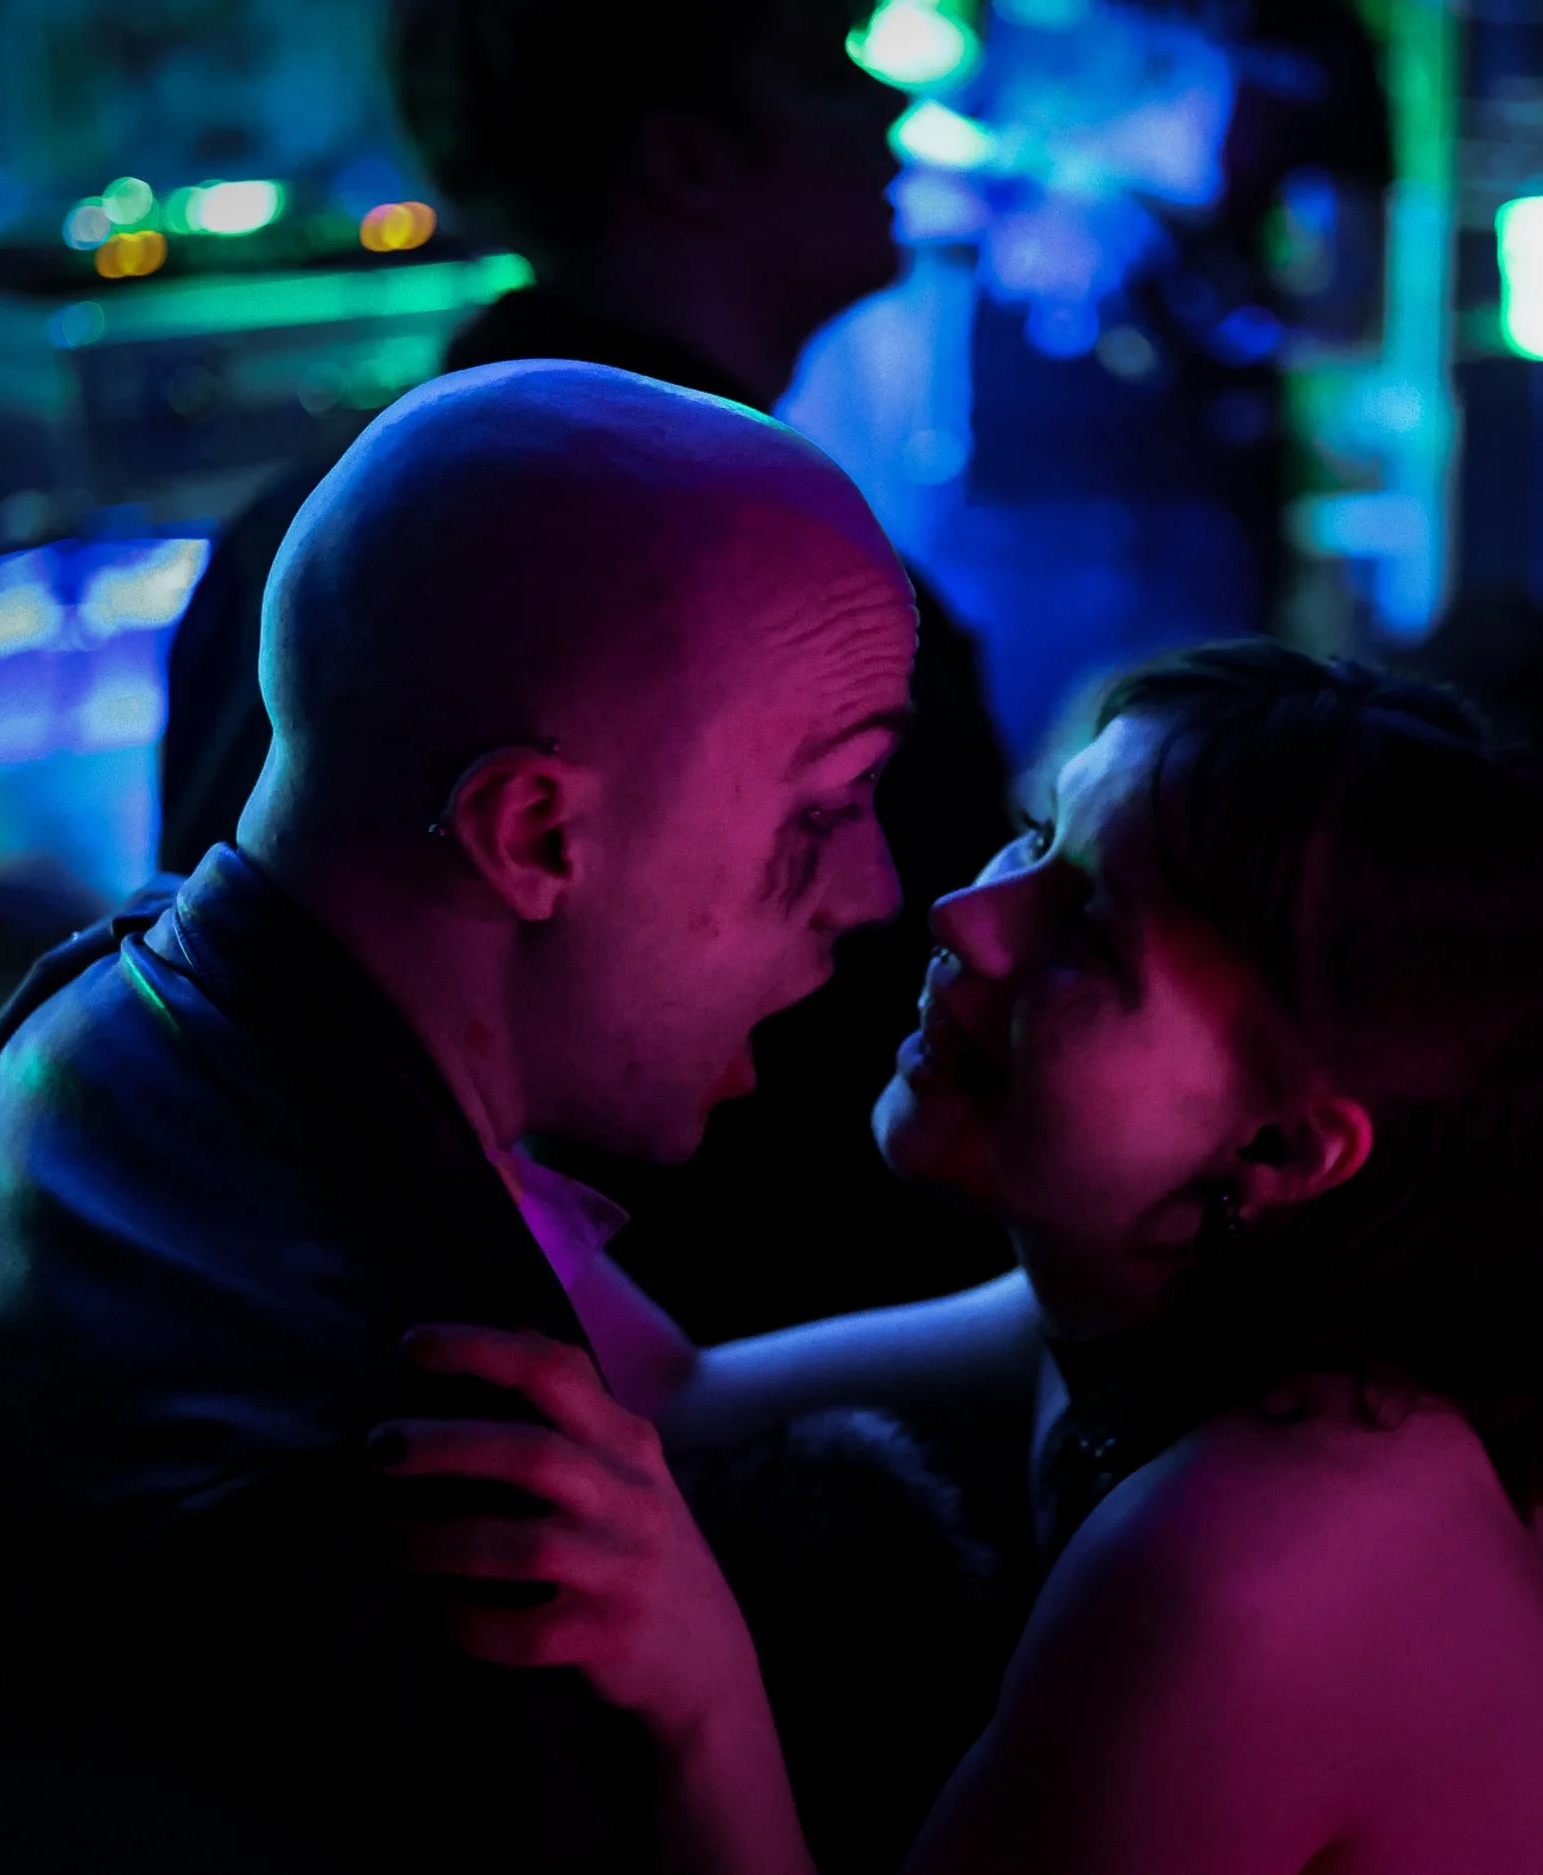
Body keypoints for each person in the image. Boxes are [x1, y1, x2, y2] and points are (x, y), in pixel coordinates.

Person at [0, 362, 917, 1872]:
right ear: (534, 833)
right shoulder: (435, 1516)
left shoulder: (139, 1013)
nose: (875, 890)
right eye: (823, 808)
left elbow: (682, 1384)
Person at [382, 641, 1543, 1874]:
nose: (962, 914)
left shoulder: (1261, 1556)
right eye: (1035, 834)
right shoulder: (1160, 1314)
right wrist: (435, 1037)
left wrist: (702, 1690)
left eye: (1087, 934)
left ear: (1280, 1148)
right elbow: (681, 1392)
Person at [162, 0, 1015, 1342]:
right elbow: (869, 1204)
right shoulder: (805, 640)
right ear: (685, 159)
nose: (888, 107)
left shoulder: (295, 526)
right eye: (821, 69)